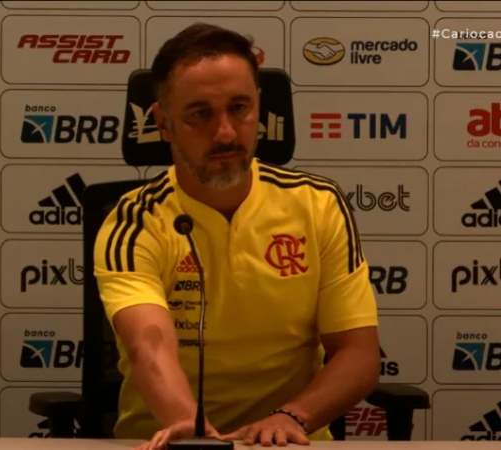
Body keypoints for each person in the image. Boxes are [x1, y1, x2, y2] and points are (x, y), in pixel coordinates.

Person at [94, 22, 380, 450]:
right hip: (171, 443)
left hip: (286, 442)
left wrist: (290, 417)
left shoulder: (318, 204)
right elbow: (147, 346)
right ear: (163, 123)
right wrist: (188, 425)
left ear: (259, 108)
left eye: (240, 108)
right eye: (201, 113)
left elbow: (358, 353)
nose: (226, 132)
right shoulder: (134, 221)